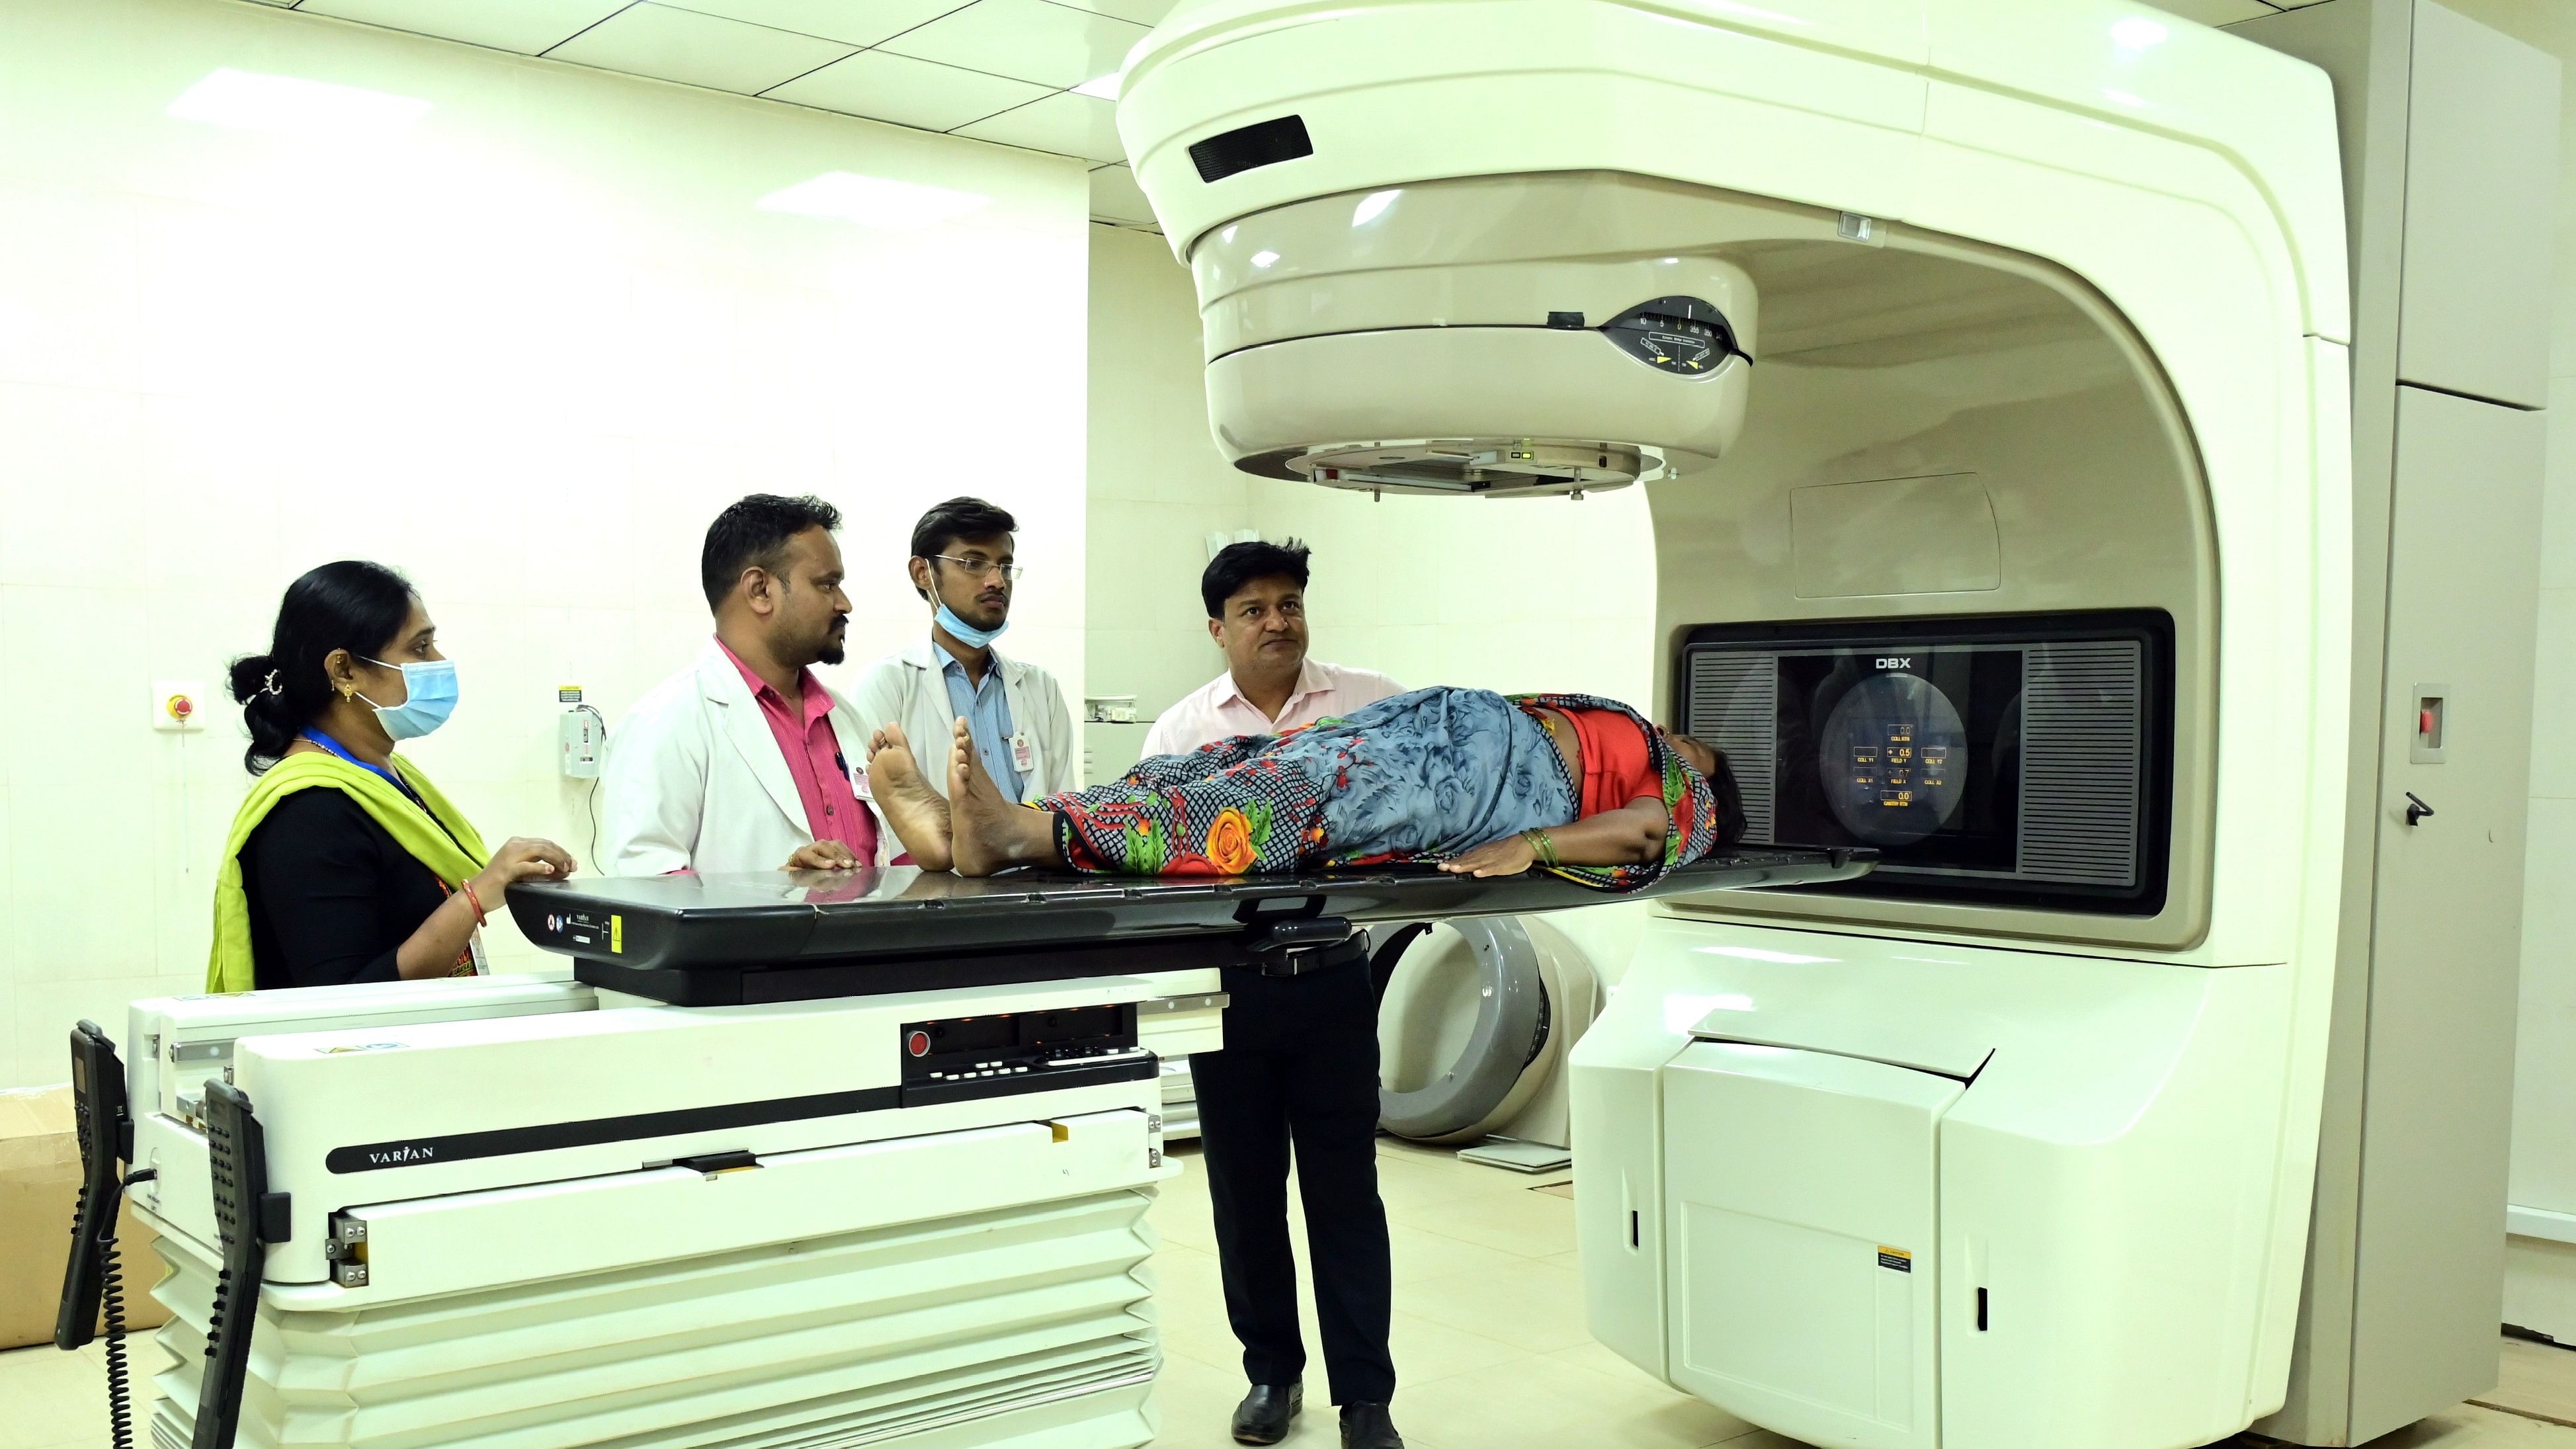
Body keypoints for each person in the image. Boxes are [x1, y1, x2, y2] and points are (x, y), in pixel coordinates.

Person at [858, 688, 1743, 1449]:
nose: (1675, 736)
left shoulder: (1684, 791)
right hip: (1240, 976)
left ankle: (1365, 1398)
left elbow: (1642, 830)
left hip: (1359, 941)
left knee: (1341, 1192)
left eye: (1691, 747)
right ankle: (1270, 1374)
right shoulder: (1606, 724)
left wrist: (1538, 845)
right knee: (1205, 776)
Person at [209, 561, 577, 993]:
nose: (439, 662)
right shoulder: (309, 810)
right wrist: (474, 899)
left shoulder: (386, 776)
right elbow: (344, 995)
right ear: (344, 671)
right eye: (420, 649)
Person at [600, 493, 903, 875]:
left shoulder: (846, 720)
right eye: (827, 585)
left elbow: (892, 864)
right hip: (748, 940)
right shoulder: (663, 724)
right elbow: (646, 894)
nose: (844, 603)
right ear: (760, 591)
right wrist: (774, 895)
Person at [852, 497, 1074, 802]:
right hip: (932, 852)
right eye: (973, 563)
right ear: (923, 573)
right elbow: (880, 815)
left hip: (1035, 851)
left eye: (1005, 566)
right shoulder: (886, 685)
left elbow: (1064, 810)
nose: (997, 581)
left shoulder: (1041, 688)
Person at [1140, 539, 1402, 757]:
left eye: (1289, 605)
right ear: (1218, 631)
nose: (1278, 623)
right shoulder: (1176, 735)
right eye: (1254, 611)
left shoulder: (1377, 699)